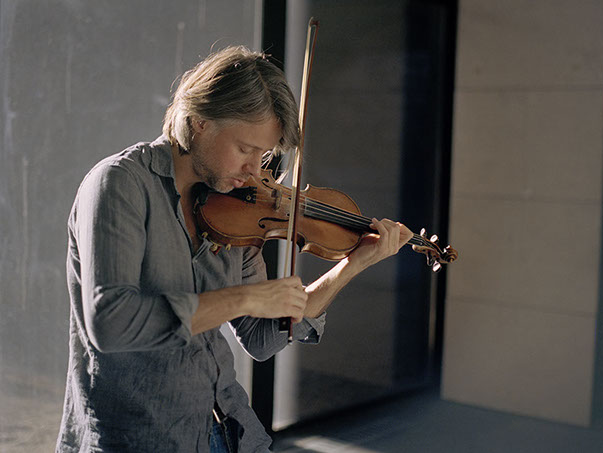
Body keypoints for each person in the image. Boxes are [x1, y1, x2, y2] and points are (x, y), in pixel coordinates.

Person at [56, 46, 413, 453]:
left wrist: (351, 264)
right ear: (199, 122)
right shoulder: (119, 185)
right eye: (245, 149)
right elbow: (110, 323)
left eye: (265, 154)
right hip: (141, 438)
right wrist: (245, 297)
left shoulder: (235, 208)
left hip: (231, 431)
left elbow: (262, 339)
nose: (255, 170)